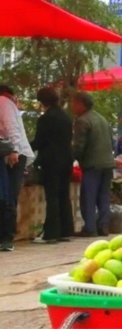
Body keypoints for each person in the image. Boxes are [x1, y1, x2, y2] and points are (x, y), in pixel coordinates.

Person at [30, 87, 74, 244]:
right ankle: (65, 231)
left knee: (52, 196)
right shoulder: (66, 117)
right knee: (63, 195)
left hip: (51, 162)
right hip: (66, 159)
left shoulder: (46, 119)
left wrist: (25, 148)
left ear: (42, 101)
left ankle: (51, 233)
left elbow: (39, 141)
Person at [71, 92, 115, 237]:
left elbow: (79, 146)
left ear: (80, 104)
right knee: (103, 195)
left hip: (92, 164)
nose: (72, 106)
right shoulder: (102, 119)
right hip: (107, 163)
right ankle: (103, 225)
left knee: (88, 197)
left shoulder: (82, 121)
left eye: (74, 103)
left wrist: (71, 158)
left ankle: (89, 227)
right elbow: (112, 141)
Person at [0, 85, 35, 251]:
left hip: (13, 155)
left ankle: (7, 238)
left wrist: (14, 150)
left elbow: (11, 127)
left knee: (8, 197)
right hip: (9, 154)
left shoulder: (3, 102)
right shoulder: (8, 103)